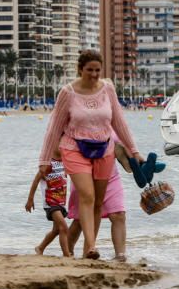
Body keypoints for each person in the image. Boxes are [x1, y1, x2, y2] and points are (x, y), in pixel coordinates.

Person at [39, 50, 142, 260]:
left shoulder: (108, 89)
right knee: (87, 195)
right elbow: (53, 128)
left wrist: (134, 151)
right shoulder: (68, 93)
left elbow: (119, 122)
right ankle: (93, 246)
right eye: (89, 70)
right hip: (74, 147)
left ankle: (88, 250)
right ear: (80, 69)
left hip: (104, 147)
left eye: (97, 70)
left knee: (97, 201)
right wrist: (44, 159)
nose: (94, 74)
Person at [67, 146, 128, 262]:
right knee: (80, 221)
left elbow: (127, 155)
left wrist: (140, 165)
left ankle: (120, 255)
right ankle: (68, 251)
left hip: (110, 177)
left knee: (119, 215)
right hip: (83, 177)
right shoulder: (77, 129)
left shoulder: (116, 130)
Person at [26, 156, 71, 256]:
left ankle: (40, 248)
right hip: (50, 202)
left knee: (56, 230)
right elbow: (36, 180)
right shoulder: (47, 164)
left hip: (61, 202)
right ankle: (67, 255)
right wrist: (30, 199)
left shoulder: (64, 162)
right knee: (64, 228)